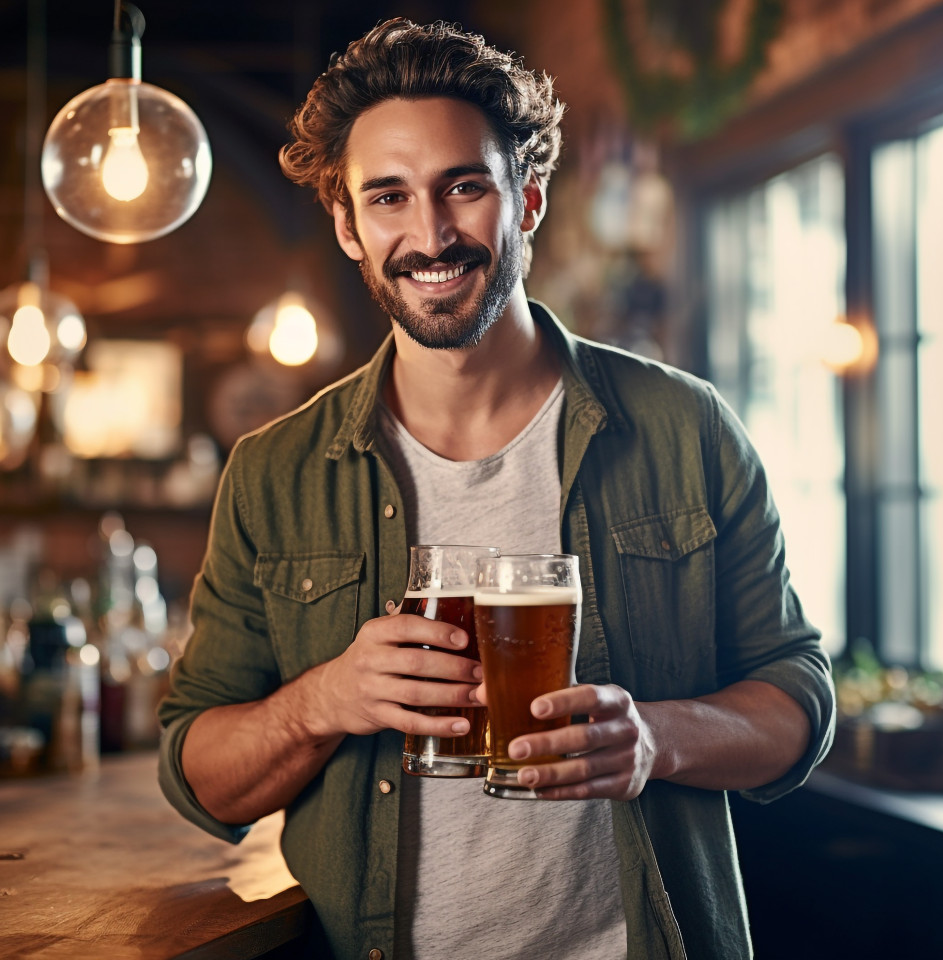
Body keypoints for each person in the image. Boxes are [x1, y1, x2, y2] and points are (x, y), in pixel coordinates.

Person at [158, 18, 835, 960]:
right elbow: (198, 773)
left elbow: (798, 698)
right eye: (388, 197)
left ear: (527, 201)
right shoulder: (277, 471)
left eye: (463, 186)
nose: (430, 234)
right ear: (349, 227)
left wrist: (656, 739)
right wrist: (325, 700)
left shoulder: (686, 428)